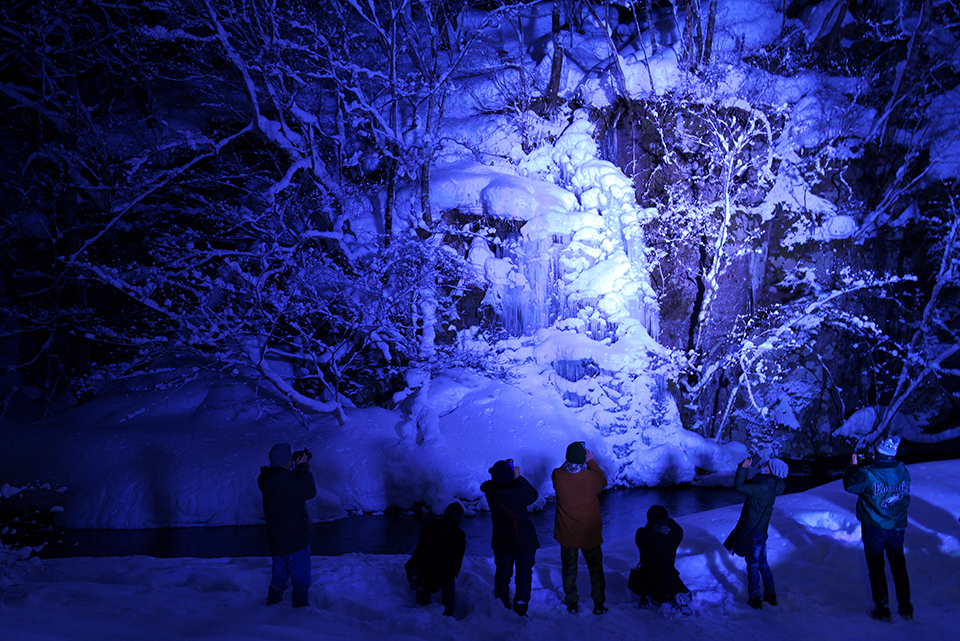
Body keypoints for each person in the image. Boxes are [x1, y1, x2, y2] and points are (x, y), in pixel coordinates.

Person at [843, 435, 912, 621]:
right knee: (899, 566)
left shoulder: (868, 474)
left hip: (874, 527)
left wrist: (853, 466)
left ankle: (882, 609)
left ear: (878, 454)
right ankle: (906, 608)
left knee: (876, 567)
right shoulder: (903, 471)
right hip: (897, 526)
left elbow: (849, 484)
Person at [257, 442, 317, 608]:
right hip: (295, 541)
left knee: (279, 576)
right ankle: (299, 610)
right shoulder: (284, 482)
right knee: (301, 581)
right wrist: (303, 466)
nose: (293, 459)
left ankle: (272, 605)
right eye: (291, 456)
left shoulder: (270, 478)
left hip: (277, 541)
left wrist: (295, 467)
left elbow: (291, 486)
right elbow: (309, 491)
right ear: (285, 461)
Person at [723, 456, 787, 609]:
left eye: (767, 465)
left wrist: (743, 467)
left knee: (753, 565)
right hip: (760, 531)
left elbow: (739, 486)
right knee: (763, 564)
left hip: (753, 532)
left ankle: (755, 598)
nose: (764, 465)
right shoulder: (770, 483)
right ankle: (770, 595)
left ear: (773, 470)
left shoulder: (765, 486)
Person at [552, 441, 608, 614]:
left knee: (569, 570)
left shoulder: (558, 476)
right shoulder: (591, 479)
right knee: (595, 569)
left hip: (567, 534)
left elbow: (562, 469)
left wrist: (575, 459)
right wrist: (590, 461)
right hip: (589, 533)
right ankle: (598, 604)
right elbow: (603, 480)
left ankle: (572, 603)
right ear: (583, 458)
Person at [480, 459, 540, 615]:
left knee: (502, 573)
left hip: (502, 540)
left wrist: (509, 477)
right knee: (524, 574)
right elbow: (533, 495)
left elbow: (497, 483)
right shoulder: (518, 492)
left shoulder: (491, 493)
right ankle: (521, 606)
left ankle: (501, 605)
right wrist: (518, 477)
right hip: (524, 541)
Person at [404, 502, 467, 617]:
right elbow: (458, 561)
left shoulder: (428, 526)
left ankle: (423, 610)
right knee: (449, 580)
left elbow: (420, 550)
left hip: (425, 569)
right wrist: (453, 571)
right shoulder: (459, 535)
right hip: (444, 573)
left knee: (423, 579)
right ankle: (448, 612)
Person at [633, 504, 692, 614]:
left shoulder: (641, 535)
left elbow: (646, 529)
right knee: (680, 586)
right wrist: (666, 520)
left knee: (646, 575)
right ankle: (679, 595)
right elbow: (679, 529)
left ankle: (645, 598)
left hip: (650, 584)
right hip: (670, 585)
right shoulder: (673, 537)